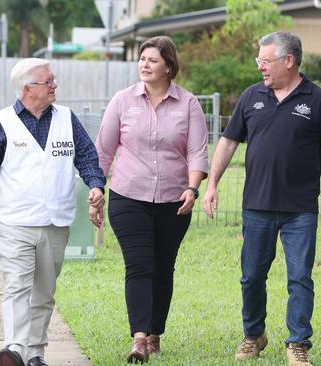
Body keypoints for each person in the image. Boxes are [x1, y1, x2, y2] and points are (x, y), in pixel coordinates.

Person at [0, 57, 106, 366]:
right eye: (49, 81)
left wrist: (96, 184)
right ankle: (14, 347)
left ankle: (35, 353)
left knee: (44, 292)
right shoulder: (1, 122)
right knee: (18, 285)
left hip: (56, 222)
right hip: (18, 221)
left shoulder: (67, 119)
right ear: (28, 89)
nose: (55, 85)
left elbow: (87, 157)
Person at [203, 31, 321, 366]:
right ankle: (254, 335)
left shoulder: (316, 99)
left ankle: (298, 343)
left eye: (265, 61)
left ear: (289, 60)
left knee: (300, 276)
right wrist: (212, 184)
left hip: (300, 209)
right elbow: (227, 142)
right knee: (252, 275)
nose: (260, 68)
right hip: (256, 205)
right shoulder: (251, 96)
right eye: (259, 61)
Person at [95, 36, 208, 363]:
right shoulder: (123, 100)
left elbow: (197, 151)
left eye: (152, 60)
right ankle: (140, 339)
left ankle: (155, 331)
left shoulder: (189, 104)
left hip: (175, 200)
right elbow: (104, 149)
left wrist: (192, 188)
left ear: (169, 67)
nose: (144, 64)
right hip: (129, 195)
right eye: (142, 58)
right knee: (139, 265)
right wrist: (97, 188)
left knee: (163, 267)